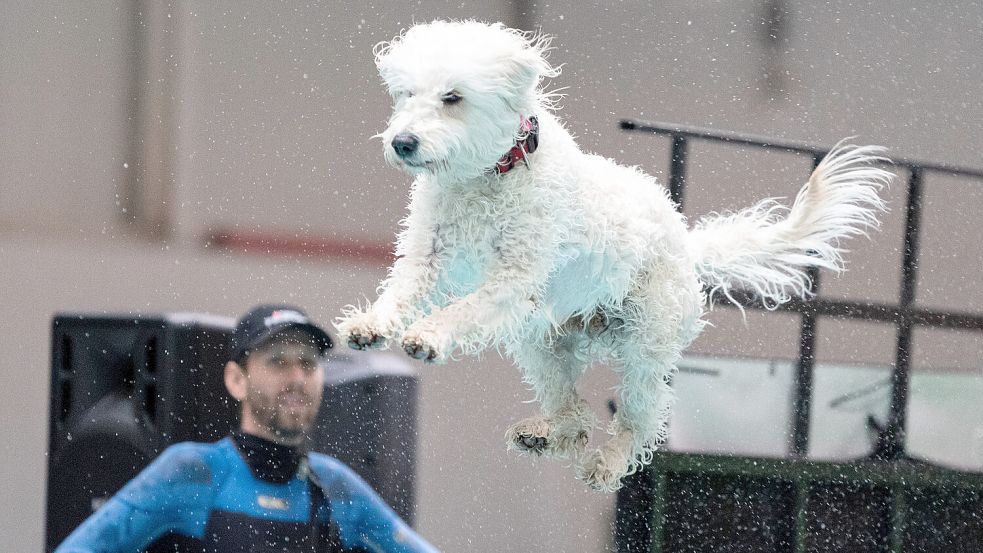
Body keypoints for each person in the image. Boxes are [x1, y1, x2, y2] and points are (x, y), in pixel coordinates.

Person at [56, 304, 439, 553]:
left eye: (308, 364)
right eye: (278, 362)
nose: (296, 377)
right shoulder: (192, 472)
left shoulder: (335, 486)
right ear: (236, 380)